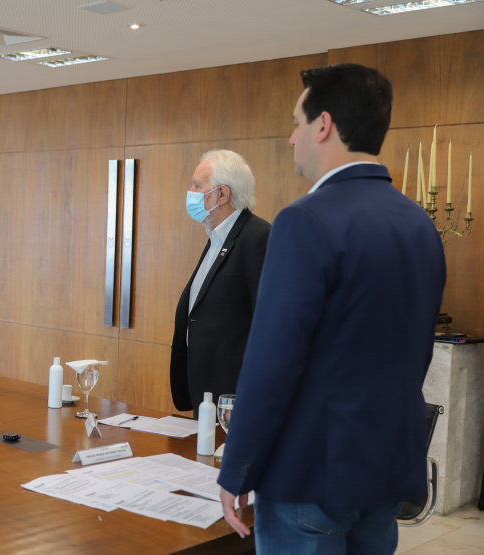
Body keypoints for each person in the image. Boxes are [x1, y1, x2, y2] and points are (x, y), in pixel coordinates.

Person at [217, 63, 446, 553]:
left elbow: (273, 360)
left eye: (296, 123)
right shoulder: (419, 224)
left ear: (323, 125)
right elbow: (416, 351)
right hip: (385, 464)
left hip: (311, 473)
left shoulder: (304, 220)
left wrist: (238, 466)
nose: (291, 137)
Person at [170, 150, 270, 415]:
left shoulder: (257, 237)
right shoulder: (217, 237)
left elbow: (267, 324)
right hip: (205, 391)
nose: (190, 191)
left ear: (222, 194)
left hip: (234, 396)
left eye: (197, 185)